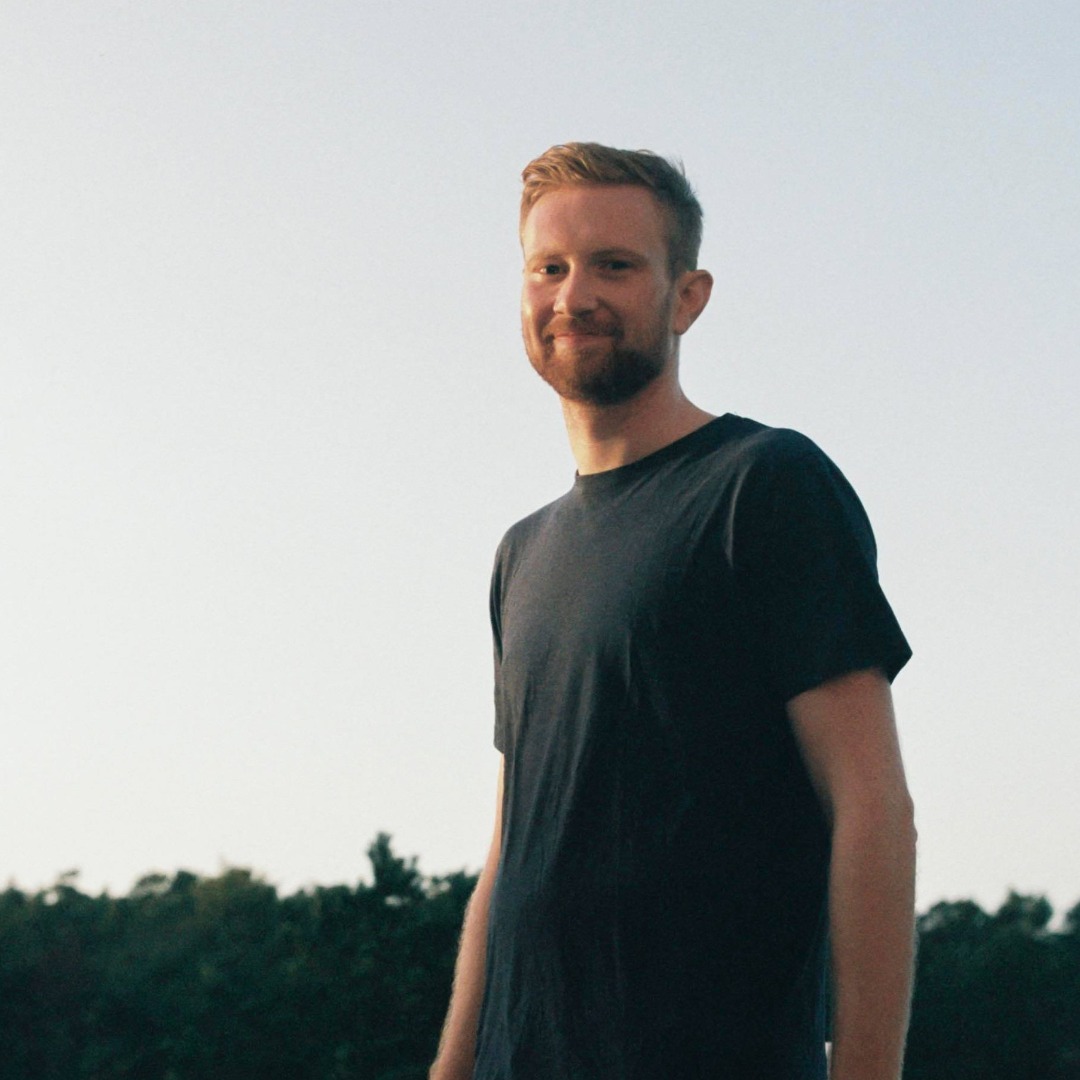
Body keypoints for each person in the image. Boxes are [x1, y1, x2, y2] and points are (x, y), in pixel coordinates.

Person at [430, 143, 916, 1080]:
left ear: (686, 297)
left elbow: (870, 804)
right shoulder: (522, 554)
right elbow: (512, 849)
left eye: (614, 265)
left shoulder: (765, 485)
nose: (574, 296)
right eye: (548, 268)